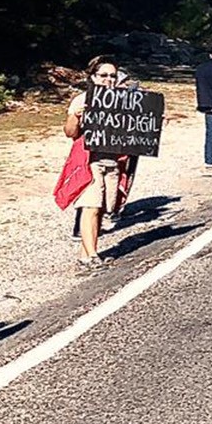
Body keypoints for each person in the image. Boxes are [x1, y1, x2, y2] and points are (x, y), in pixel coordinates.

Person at [57, 57, 135, 272]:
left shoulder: (125, 100)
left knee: (102, 208)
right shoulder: (83, 100)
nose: (108, 79)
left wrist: (152, 121)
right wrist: (75, 116)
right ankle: (91, 256)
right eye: (103, 75)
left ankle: (85, 255)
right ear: (93, 77)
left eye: (112, 76)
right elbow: (70, 133)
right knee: (90, 207)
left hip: (113, 162)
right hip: (89, 160)